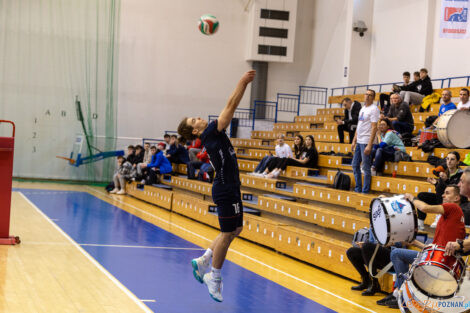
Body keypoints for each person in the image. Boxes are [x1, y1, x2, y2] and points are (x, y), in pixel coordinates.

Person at [178, 70, 256, 302]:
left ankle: (205, 259)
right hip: (225, 187)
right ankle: (215, 276)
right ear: (195, 130)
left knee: (237, 230)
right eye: (194, 120)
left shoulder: (212, 135)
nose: (199, 117)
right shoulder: (211, 130)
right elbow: (231, 104)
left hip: (231, 186)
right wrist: (242, 82)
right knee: (226, 233)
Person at [385, 185, 466, 309]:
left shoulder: (453, 207)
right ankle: (399, 293)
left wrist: (412, 198)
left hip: (440, 262)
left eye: (447, 193)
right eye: (443, 193)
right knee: (397, 252)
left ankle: (402, 295)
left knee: (396, 254)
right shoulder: (448, 218)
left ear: (456, 198)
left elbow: (424, 208)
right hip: (438, 259)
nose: (443, 195)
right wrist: (415, 243)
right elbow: (435, 249)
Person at [416, 151, 463, 230]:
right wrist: (435, 183)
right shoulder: (445, 172)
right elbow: (440, 190)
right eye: (447, 159)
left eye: (452, 159)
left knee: (443, 190)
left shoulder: (461, 175)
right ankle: (420, 223)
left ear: (457, 162)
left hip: (455, 202)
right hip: (442, 199)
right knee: (421, 196)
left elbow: (456, 191)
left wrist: (446, 180)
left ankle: (440, 215)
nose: (449, 161)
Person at [352, 89, 380, 194]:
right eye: (366, 94)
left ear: (373, 98)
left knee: (365, 167)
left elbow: (374, 128)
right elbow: (359, 125)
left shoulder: (374, 109)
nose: (367, 96)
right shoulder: (362, 108)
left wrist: (369, 145)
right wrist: (354, 140)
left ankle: (365, 190)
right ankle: (358, 188)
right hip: (359, 141)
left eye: (370, 95)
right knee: (355, 165)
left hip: (366, 141)